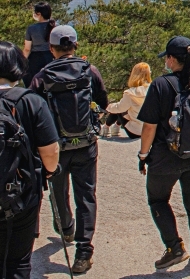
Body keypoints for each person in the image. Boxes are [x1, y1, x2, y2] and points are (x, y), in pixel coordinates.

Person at [30, 25, 107, 275]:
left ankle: (65, 227)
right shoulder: (89, 70)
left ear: (51, 49)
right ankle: (84, 252)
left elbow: (34, 111)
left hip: (56, 146)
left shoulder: (42, 76)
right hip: (86, 145)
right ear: (75, 46)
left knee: (58, 190)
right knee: (86, 196)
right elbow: (103, 101)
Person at [137, 36, 190, 271]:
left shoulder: (161, 85)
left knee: (157, 199)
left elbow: (150, 126)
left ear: (172, 59)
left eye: (167, 58)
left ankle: (174, 247)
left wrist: (143, 155)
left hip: (165, 157)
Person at [0, 42, 60, 279]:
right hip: (21, 193)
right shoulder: (31, 101)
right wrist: (48, 172)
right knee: (17, 261)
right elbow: (50, 151)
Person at [101, 62, 151, 139]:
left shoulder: (130, 93)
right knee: (125, 108)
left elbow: (119, 108)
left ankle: (106, 127)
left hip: (135, 132)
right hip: (150, 131)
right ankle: (115, 128)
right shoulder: (153, 89)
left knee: (119, 108)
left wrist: (107, 107)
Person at [22, 2, 55, 88]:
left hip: (35, 59)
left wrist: (22, 61)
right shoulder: (55, 26)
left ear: (39, 14)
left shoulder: (32, 28)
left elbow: (27, 49)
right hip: (51, 57)